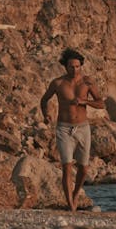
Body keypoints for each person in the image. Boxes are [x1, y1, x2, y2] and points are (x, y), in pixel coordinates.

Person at [40, 48, 104, 211]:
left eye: (77, 66)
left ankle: (76, 193)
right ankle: (71, 206)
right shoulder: (58, 83)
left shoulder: (88, 82)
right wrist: (46, 114)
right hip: (63, 128)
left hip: (83, 128)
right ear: (65, 67)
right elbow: (44, 99)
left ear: (81, 66)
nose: (74, 69)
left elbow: (101, 103)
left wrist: (85, 102)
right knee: (67, 167)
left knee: (83, 168)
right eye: (71, 67)